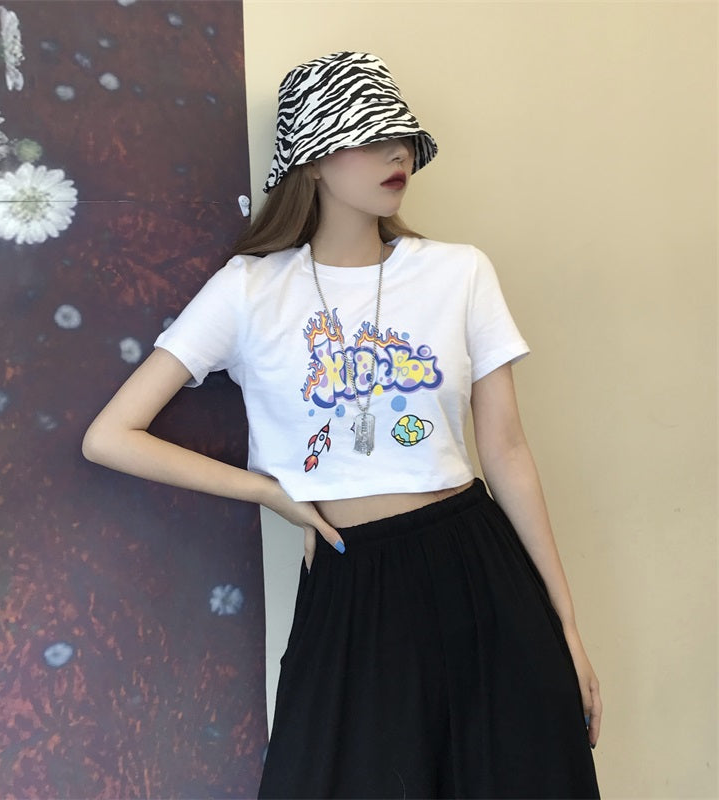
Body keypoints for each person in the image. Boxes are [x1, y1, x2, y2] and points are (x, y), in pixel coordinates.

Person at [83, 51, 601, 799]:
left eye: (403, 139)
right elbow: (111, 436)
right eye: (370, 138)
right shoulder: (250, 290)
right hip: (351, 576)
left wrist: (566, 625)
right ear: (316, 161)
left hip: (475, 561)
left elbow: (507, 450)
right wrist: (270, 492)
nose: (397, 155)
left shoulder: (457, 272)